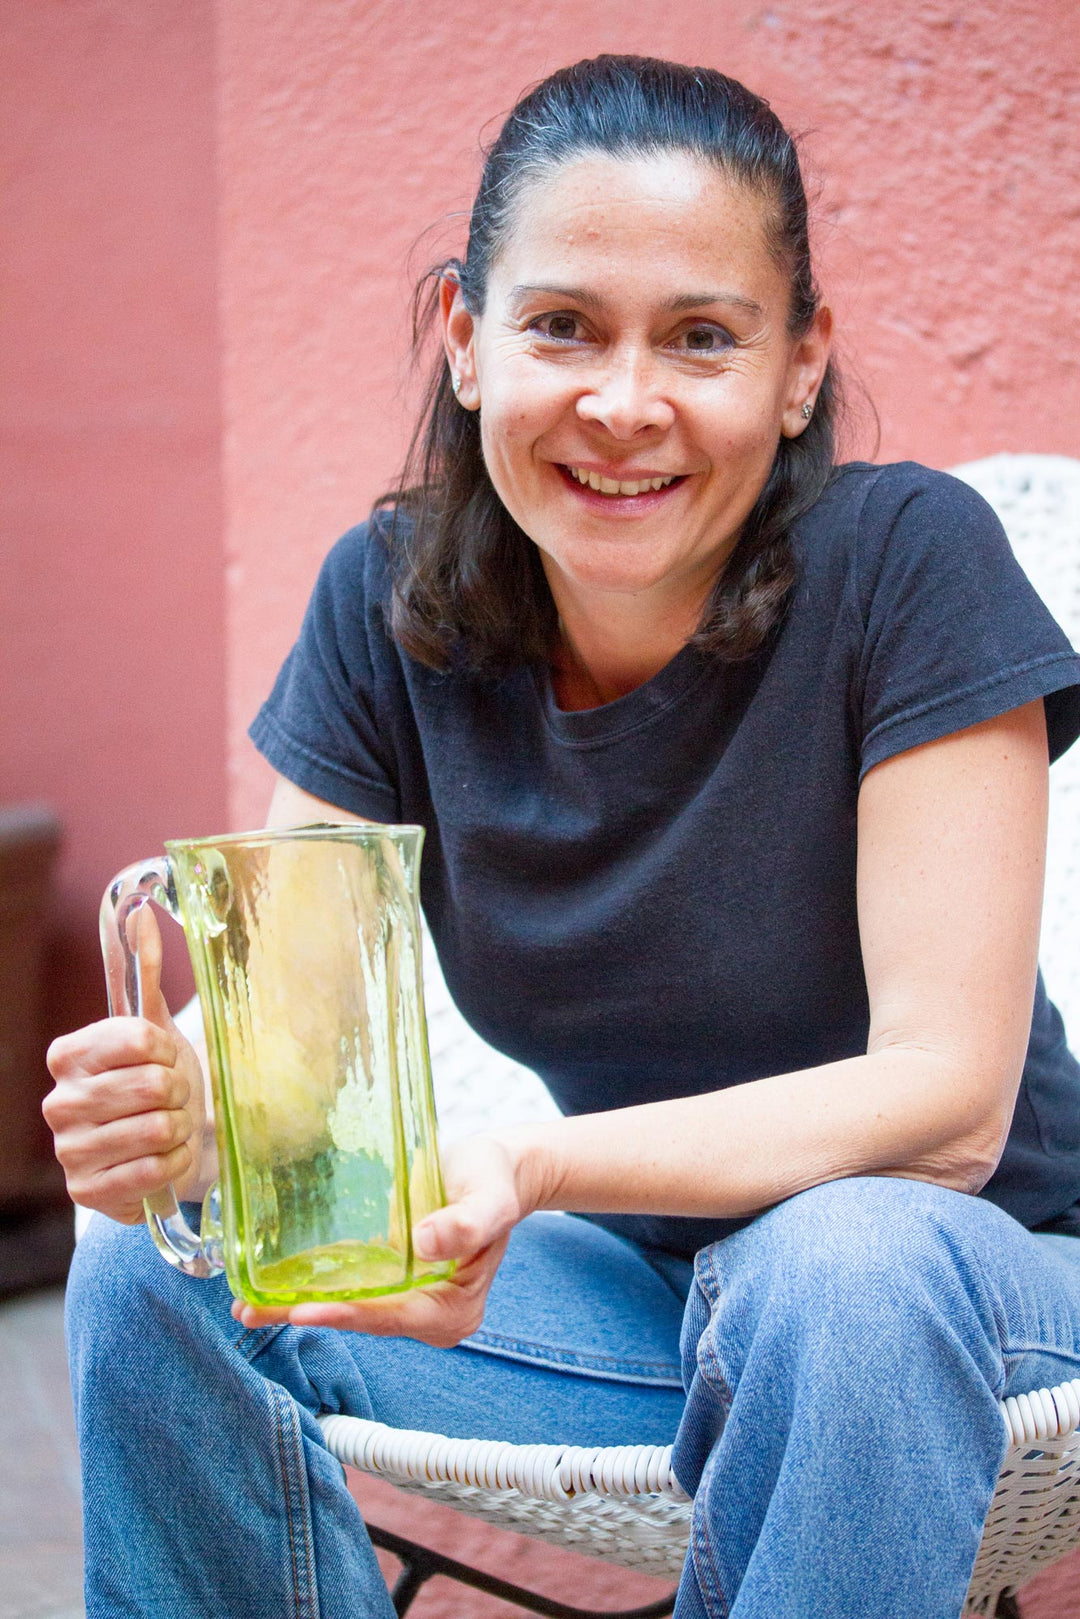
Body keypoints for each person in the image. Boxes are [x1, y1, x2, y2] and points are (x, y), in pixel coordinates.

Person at [45, 55, 1080, 1619]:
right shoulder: (387, 605)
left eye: (702, 339)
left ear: (802, 370)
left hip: (969, 1300)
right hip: (651, 1310)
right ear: (465, 341)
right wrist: (189, 1125)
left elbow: (944, 1109)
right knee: (157, 1265)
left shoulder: (907, 565)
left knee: (841, 1265)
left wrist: (529, 1164)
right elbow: (299, 1087)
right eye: (562, 327)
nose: (622, 402)